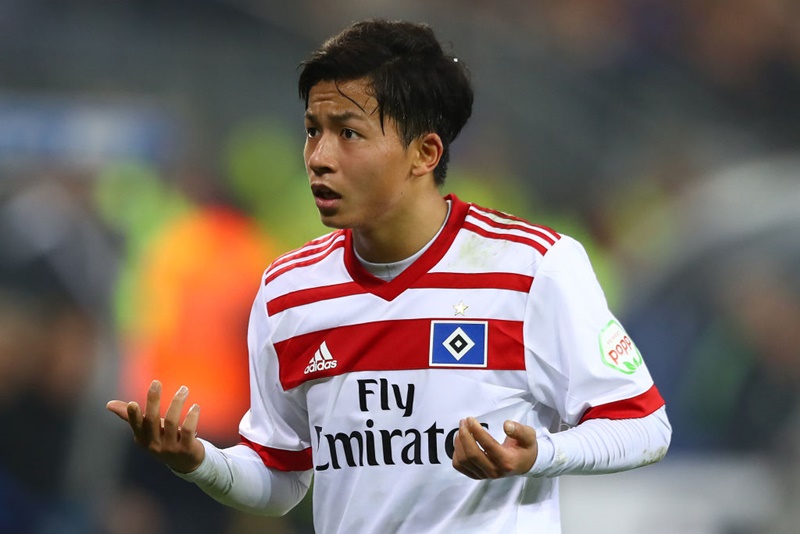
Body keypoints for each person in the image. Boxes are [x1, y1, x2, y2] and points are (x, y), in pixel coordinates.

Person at [107, 19, 671, 533]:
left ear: (424, 153)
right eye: (312, 130)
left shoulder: (532, 267)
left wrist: (540, 455)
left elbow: (644, 425)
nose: (319, 157)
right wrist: (199, 462)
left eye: (348, 133)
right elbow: (280, 477)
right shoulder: (289, 291)